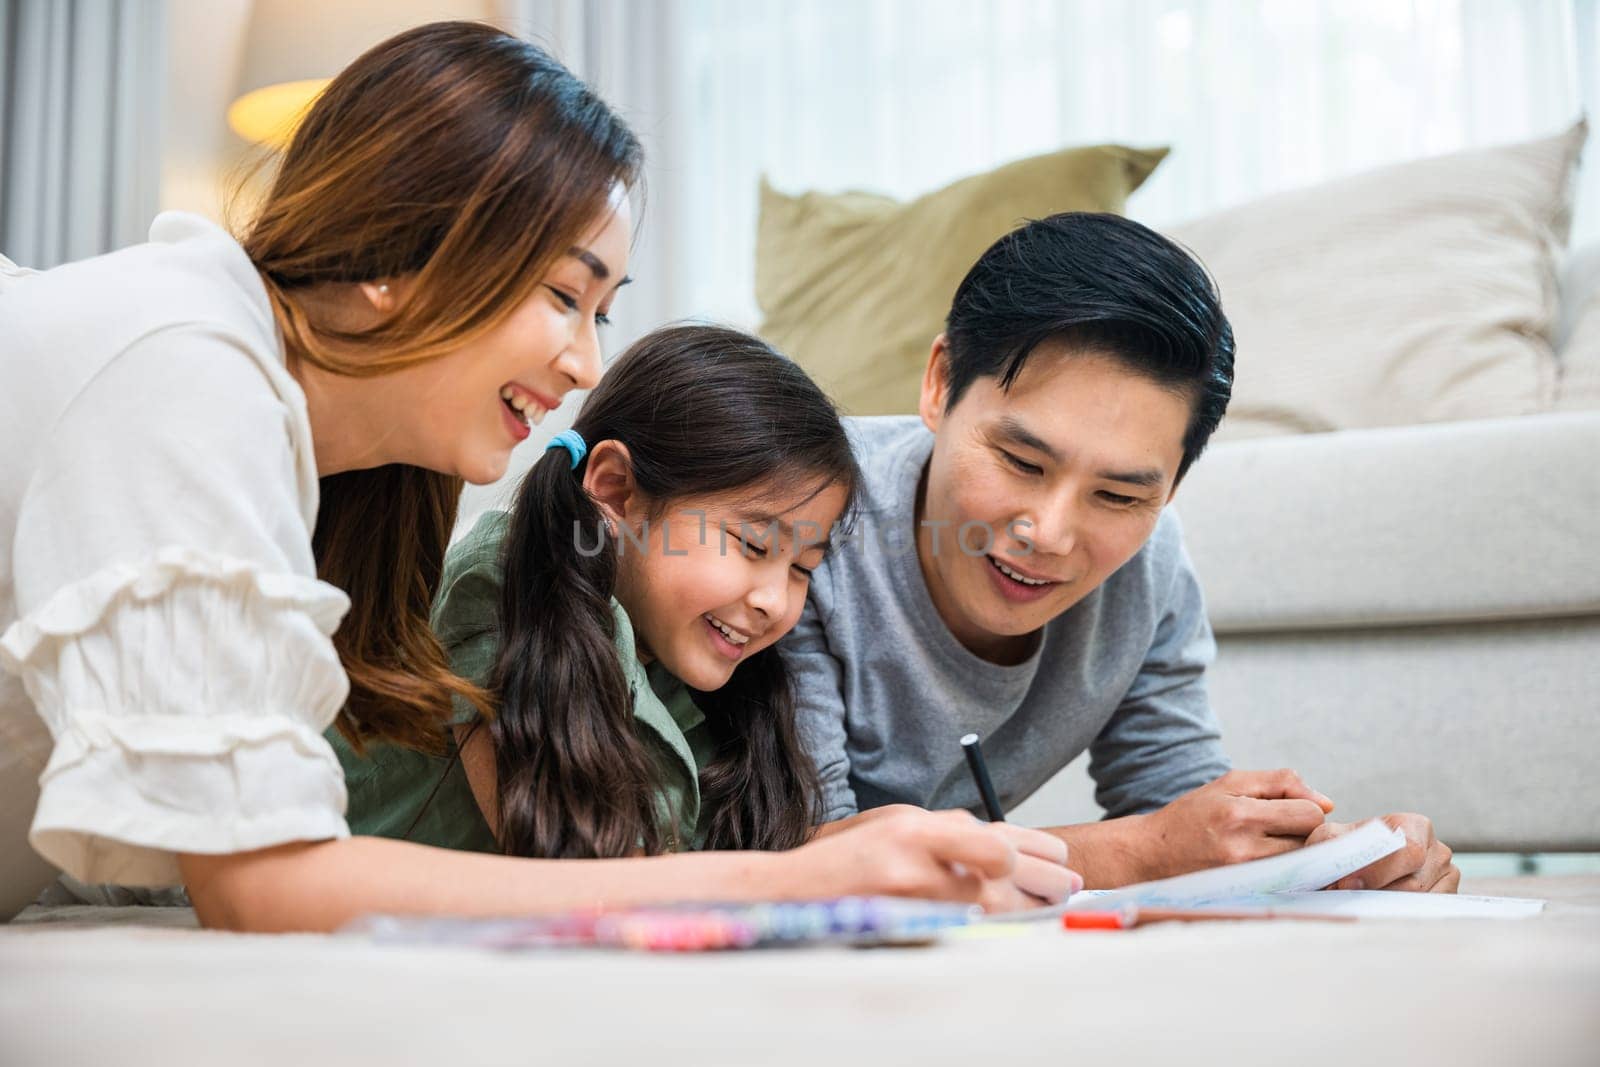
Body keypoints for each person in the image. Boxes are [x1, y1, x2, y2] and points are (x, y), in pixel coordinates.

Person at [0, 21, 1064, 929]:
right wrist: (786, 882)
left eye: (603, 310)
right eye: (564, 295)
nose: (588, 363)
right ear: (389, 259)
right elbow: (261, 880)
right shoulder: (181, 369)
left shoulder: (344, 471)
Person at [784, 212, 1460, 894]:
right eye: (1021, 460)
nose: (1049, 532)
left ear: (1172, 486)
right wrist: (1144, 851)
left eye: (1118, 495)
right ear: (939, 384)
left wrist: (1331, 859)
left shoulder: (1150, 566)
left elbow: (1178, 812)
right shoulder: (799, 518)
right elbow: (799, 856)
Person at [328, 324, 1076, 912]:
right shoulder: (503, 586)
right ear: (616, 491)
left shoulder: (684, 663)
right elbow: (592, 882)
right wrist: (817, 873)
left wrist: (852, 839)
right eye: (753, 543)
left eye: (802, 569)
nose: (774, 600)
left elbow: (692, 855)